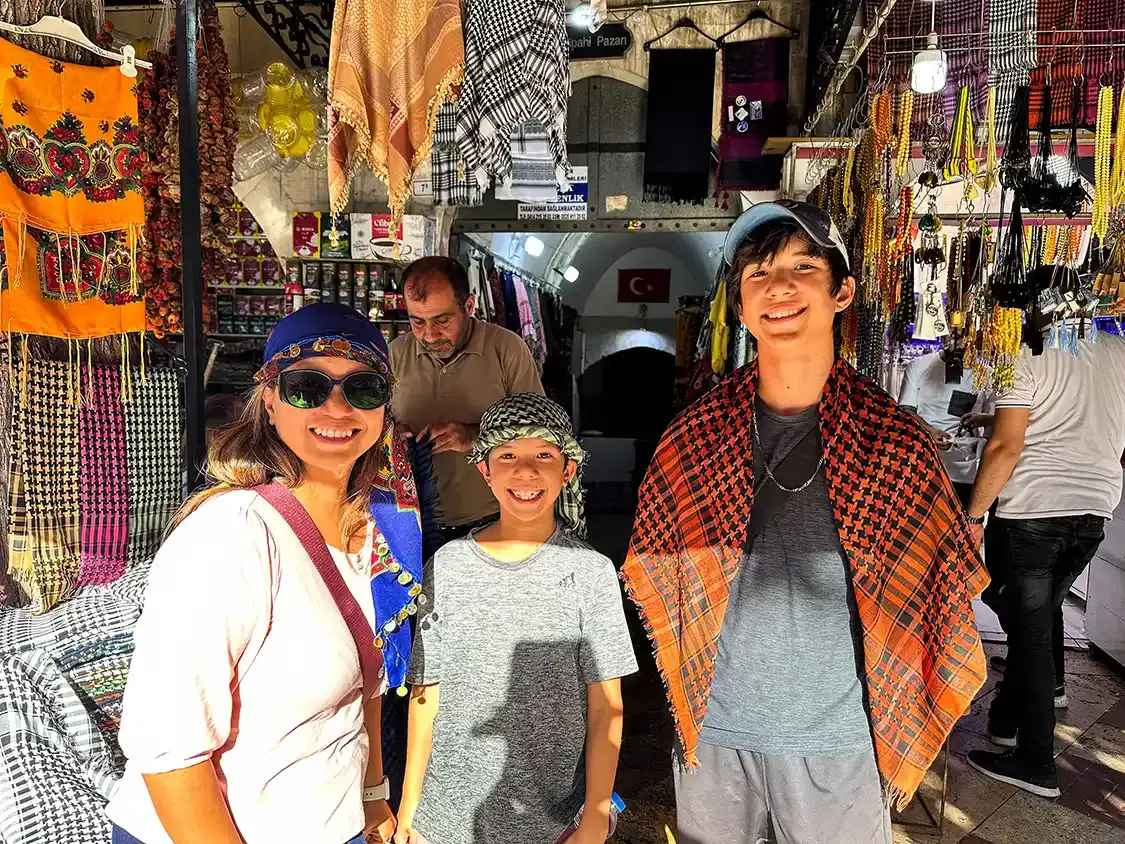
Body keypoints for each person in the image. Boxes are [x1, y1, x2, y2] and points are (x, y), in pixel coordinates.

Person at [622, 200, 989, 843]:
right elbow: (659, 575)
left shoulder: (896, 445)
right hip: (714, 732)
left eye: (802, 266)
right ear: (739, 305)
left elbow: (935, 593)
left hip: (840, 737)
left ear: (842, 291)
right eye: (758, 274)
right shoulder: (692, 438)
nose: (780, 287)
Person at [107, 303, 427, 844]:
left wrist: (373, 798)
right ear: (271, 401)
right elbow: (167, 750)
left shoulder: (381, 532)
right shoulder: (233, 533)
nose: (337, 407)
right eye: (307, 386)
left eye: (363, 389)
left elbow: (362, 685)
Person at [394, 393, 638, 844]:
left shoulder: (592, 572)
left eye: (543, 454)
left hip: (553, 821)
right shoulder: (447, 566)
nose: (525, 471)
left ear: (568, 469)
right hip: (444, 819)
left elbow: (607, 707)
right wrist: (410, 807)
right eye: (507, 455)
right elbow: (426, 693)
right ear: (484, 469)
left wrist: (595, 816)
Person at [965, 300, 1125, 799]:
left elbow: (1007, 448)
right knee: (1032, 621)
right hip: (1094, 507)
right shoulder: (1116, 348)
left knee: (1028, 632)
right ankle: (1006, 721)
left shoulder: (1023, 351)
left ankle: (1035, 761)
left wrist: (972, 517)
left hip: (1034, 509)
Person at [389, 256, 544, 544]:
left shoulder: (506, 349)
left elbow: (541, 435)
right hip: (412, 521)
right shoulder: (394, 355)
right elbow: (368, 429)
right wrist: (390, 438)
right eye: (417, 322)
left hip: (493, 520)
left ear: (469, 307)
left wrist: (474, 436)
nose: (430, 335)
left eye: (442, 320)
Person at [898, 345, 990, 508]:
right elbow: (905, 411)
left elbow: (994, 425)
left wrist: (983, 421)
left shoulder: (985, 373)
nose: (958, 337)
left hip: (965, 473)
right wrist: (929, 431)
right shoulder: (919, 366)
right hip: (925, 469)